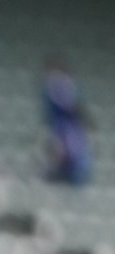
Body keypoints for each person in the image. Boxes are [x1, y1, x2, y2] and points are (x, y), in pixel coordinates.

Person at [42, 57, 93, 186]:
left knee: (72, 156)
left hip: (65, 126)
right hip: (63, 127)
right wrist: (86, 119)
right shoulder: (56, 82)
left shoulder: (57, 82)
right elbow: (69, 105)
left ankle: (68, 179)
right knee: (67, 153)